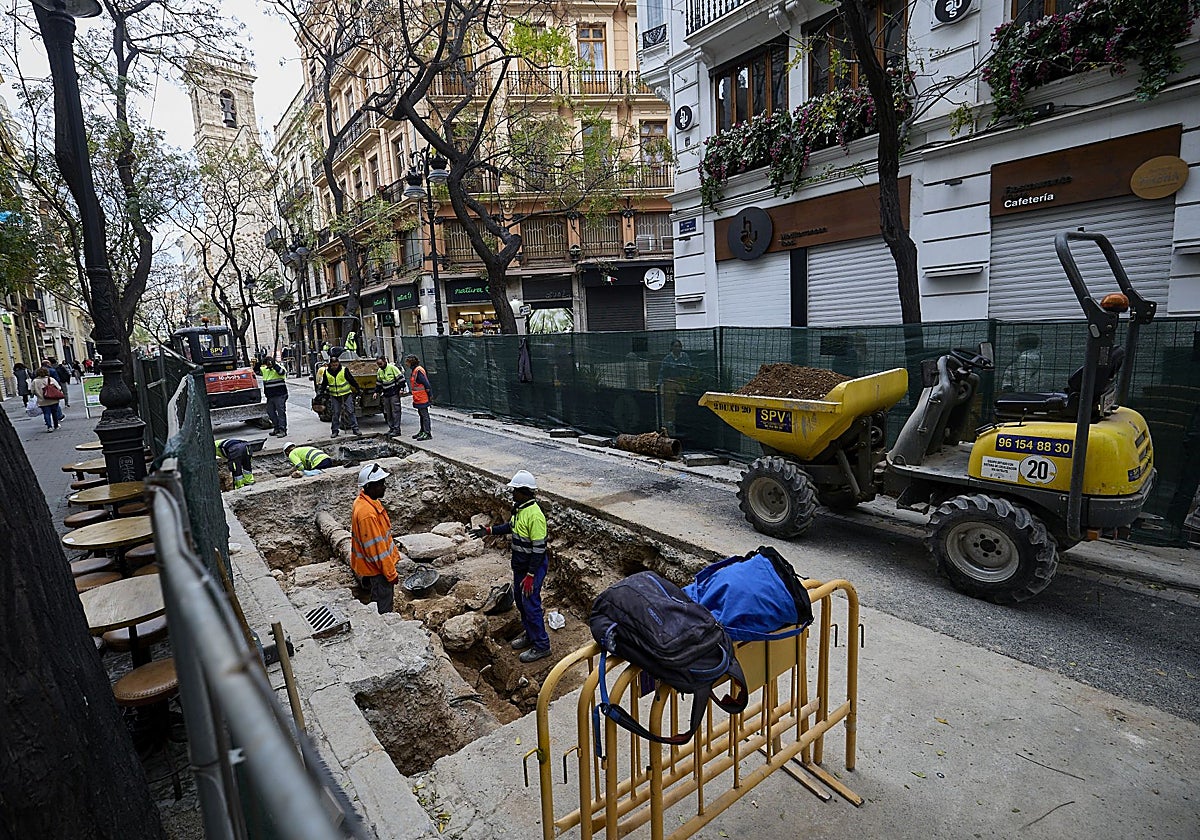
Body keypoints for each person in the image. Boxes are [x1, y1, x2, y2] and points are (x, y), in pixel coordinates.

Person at [471, 470, 551, 663]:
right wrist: (489, 531)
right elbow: (511, 527)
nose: (512, 493)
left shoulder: (535, 516)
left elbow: (539, 550)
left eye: (515, 490)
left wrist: (531, 574)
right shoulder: (521, 509)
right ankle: (530, 635)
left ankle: (542, 645)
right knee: (521, 602)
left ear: (524, 491)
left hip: (533, 567)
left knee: (531, 605)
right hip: (521, 566)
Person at [351, 463, 401, 614]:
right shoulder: (367, 514)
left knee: (379, 598)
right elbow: (377, 550)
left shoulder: (367, 501)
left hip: (373, 568)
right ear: (370, 486)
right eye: (381, 484)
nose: (384, 487)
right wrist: (391, 574)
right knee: (383, 606)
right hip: (377, 570)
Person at [316, 355, 362, 438]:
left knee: (350, 411)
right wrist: (320, 393)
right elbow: (324, 384)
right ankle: (335, 431)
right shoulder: (326, 372)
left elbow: (351, 380)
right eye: (333, 365)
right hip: (334, 396)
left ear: (338, 363)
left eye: (336, 365)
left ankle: (355, 429)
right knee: (335, 413)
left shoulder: (344, 370)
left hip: (346, 394)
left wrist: (358, 389)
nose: (335, 367)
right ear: (330, 364)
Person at [656, 340, 693, 436]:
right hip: (670, 382)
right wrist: (659, 384)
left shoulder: (685, 357)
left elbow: (689, 370)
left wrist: (688, 380)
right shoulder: (667, 359)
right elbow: (662, 373)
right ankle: (669, 422)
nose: (677, 348)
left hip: (683, 382)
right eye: (675, 346)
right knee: (670, 400)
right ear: (671, 348)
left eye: (679, 346)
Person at [255, 354, 289, 436]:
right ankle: (276, 428)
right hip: (270, 396)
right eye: (267, 363)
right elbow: (256, 371)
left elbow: (282, 372)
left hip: (280, 395)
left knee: (281, 412)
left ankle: (282, 430)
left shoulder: (279, 368)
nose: (268, 365)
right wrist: (260, 362)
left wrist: (274, 365)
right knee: (270, 412)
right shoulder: (265, 370)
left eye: (269, 363)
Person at [375, 354, 407, 436]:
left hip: (394, 394)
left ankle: (397, 429)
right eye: (378, 364)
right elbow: (379, 383)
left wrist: (402, 389)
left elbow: (401, 379)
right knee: (388, 412)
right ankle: (391, 428)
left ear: (385, 361)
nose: (380, 366)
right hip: (386, 394)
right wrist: (376, 392)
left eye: (380, 364)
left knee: (395, 411)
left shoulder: (392, 368)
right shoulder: (379, 371)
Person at [405, 354, 433, 441]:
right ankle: (422, 431)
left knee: (424, 415)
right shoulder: (415, 370)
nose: (406, 364)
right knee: (421, 415)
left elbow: (426, 384)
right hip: (418, 397)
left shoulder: (418, 371)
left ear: (411, 362)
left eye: (407, 362)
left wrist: (430, 395)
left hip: (422, 397)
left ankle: (427, 433)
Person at [30, 366, 64, 432]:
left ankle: (49, 427)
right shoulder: (51, 379)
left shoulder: (35, 381)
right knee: (54, 412)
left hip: (42, 401)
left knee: (46, 413)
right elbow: (59, 388)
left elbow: (32, 391)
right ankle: (56, 425)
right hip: (53, 399)